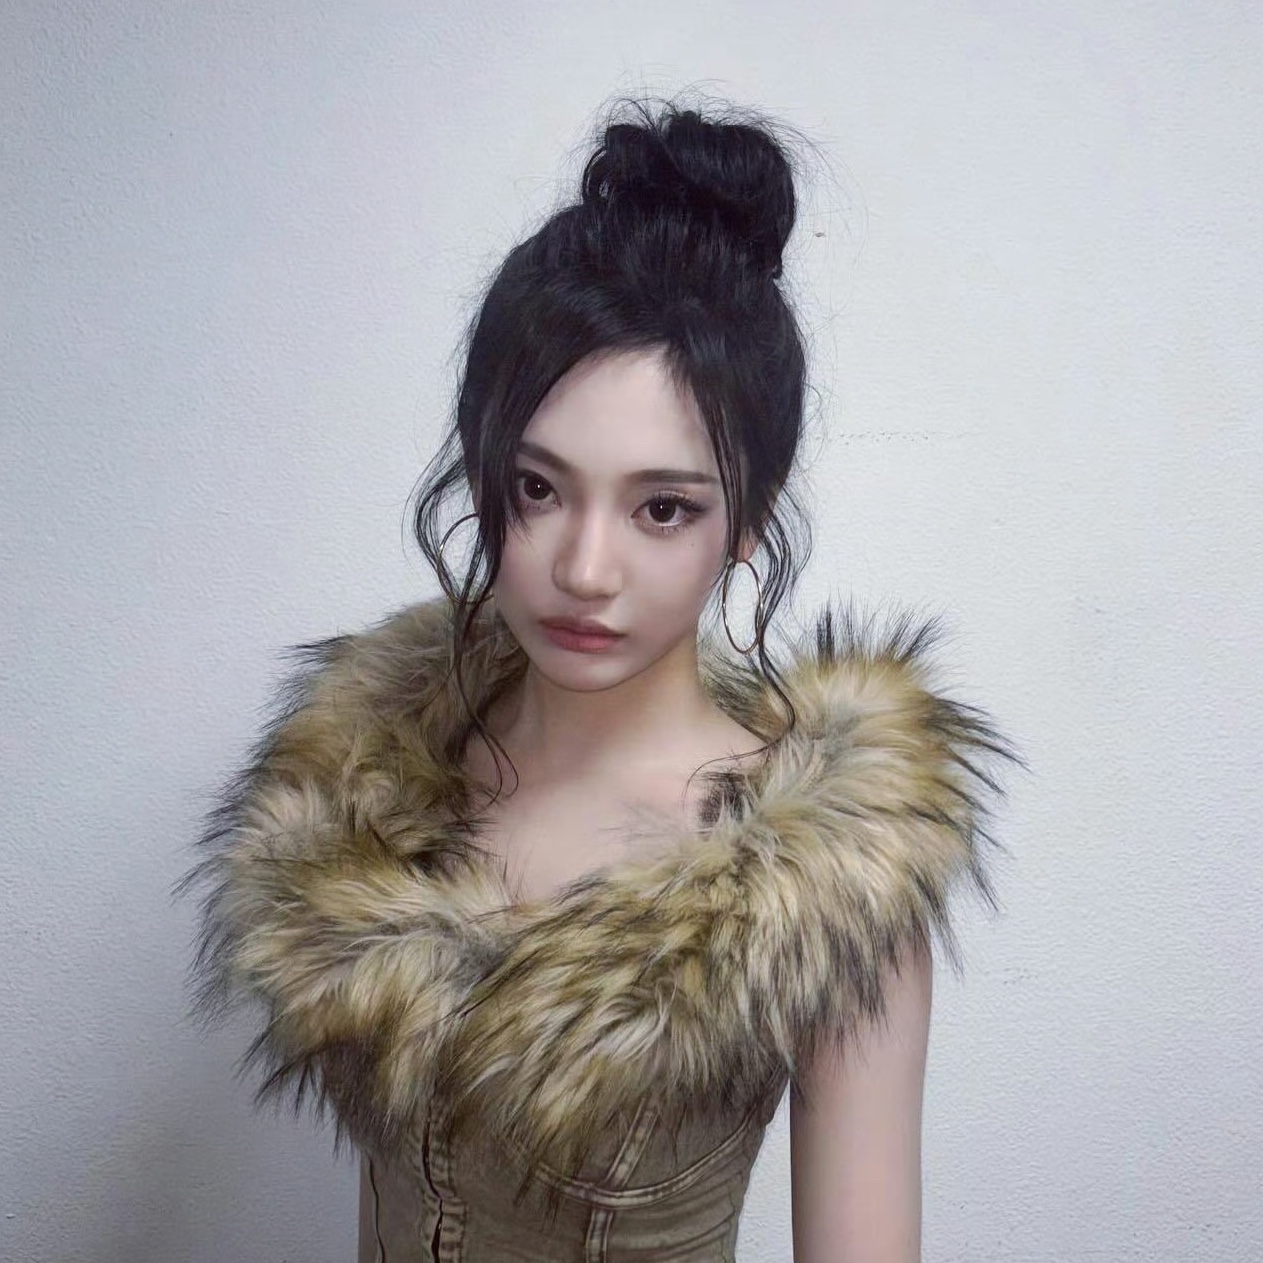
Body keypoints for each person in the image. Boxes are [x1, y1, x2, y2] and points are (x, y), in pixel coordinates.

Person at [185, 99, 1011, 1263]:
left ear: (747, 525)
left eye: (661, 508)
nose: (583, 569)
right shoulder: (373, 797)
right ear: (484, 472)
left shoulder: (822, 887)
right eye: (538, 489)